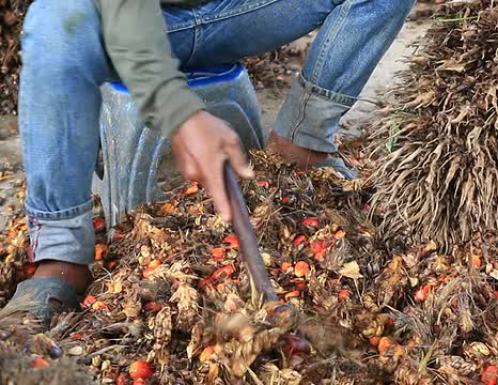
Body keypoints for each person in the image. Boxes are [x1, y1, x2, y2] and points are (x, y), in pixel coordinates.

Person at [2, 0, 415, 321]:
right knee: (55, 16)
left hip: (237, 13)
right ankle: (61, 256)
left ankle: (301, 144)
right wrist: (178, 110)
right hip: (122, 22)